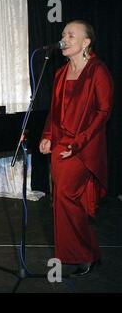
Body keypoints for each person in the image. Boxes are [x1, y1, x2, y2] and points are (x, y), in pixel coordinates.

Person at [39, 20, 113, 277]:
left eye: (71, 35)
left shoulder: (98, 71)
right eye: (63, 35)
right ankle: (84, 253)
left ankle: (84, 254)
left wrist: (78, 142)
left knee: (65, 198)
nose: (64, 39)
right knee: (64, 200)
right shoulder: (60, 73)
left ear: (86, 42)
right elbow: (54, 112)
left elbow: (103, 112)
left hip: (83, 147)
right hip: (61, 144)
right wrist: (48, 135)